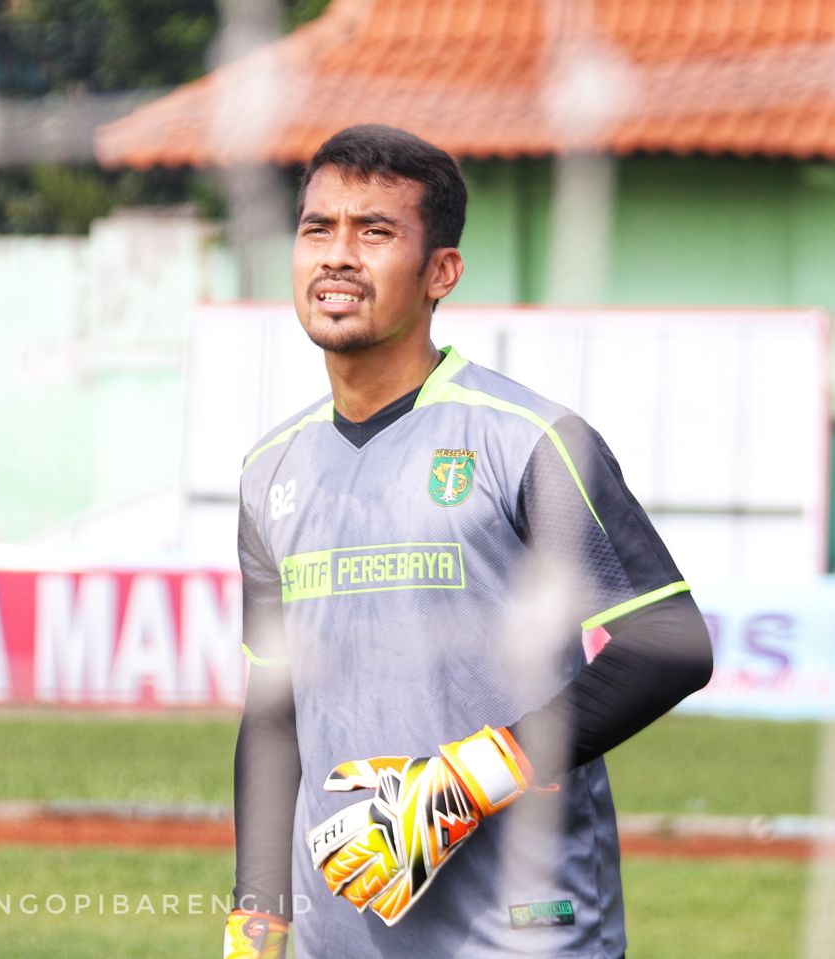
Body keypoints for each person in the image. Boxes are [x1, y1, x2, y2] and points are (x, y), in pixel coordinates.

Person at [222, 125, 714, 959]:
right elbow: (273, 713)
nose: (337, 255)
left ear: (441, 271)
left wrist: (463, 782)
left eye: (374, 232)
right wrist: (258, 917)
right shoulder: (270, 469)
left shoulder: (529, 441)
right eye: (318, 229)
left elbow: (669, 646)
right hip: (341, 936)